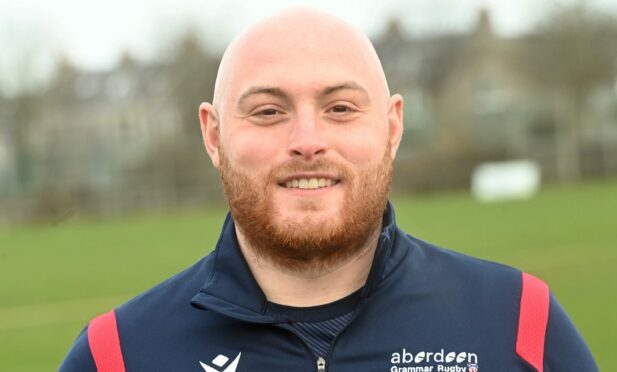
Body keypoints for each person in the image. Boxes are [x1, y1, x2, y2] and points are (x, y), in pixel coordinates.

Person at [60, 7, 597, 372]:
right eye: (268, 111)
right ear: (214, 135)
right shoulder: (117, 356)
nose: (307, 142)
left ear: (391, 126)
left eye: (340, 108)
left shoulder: (520, 324)